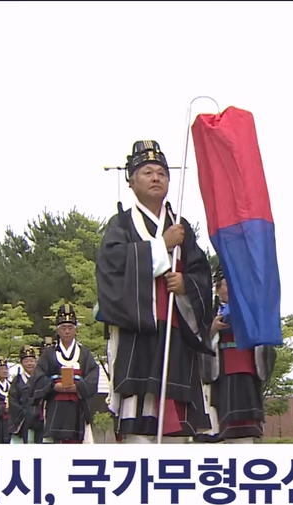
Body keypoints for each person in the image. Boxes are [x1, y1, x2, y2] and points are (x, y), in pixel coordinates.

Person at [96, 140, 216, 444]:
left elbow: (202, 273)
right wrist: (161, 245)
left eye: (161, 172)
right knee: (139, 423)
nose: (155, 178)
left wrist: (186, 284)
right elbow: (111, 268)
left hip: (176, 332)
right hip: (139, 335)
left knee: (176, 427)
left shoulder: (180, 226)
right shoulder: (121, 225)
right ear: (131, 181)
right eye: (147, 172)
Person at [198, 259, 277, 444]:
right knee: (220, 418)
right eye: (225, 284)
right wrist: (212, 329)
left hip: (247, 368)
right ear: (217, 289)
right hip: (220, 371)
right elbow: (197, 339)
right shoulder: (208, 312)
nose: (229, 289)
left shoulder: (252, 310)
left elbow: (266, 341)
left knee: (245, 426)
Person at [32, 304, 100, 443]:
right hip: (55, 407)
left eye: (70, 328)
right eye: (63, 328)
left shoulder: (85, 353)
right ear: (58, 330)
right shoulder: (49, 354)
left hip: (77, 408)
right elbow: (38, 377)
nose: (67, 331)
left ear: (75, 330)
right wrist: (53, 385)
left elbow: (93, 375)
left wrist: (79, 387)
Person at [11, 345, 39, 444]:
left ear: (36, 362)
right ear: (21, 363)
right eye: (26, 361)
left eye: (31, 360)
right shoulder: (17, 380)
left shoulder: (41, 378)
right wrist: (23, 413)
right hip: (23, 419)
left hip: (39, 419)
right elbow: (12, 400)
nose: (29, 364)